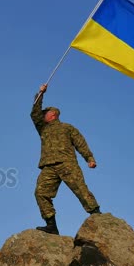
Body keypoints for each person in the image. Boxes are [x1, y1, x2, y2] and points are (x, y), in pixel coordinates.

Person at [30, 84, 101, 235]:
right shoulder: (43, 128)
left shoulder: (67, 128)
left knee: (81, 189)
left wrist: (89, 158)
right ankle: (51, 225)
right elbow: (34, 113)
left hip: (67, 163)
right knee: (40, 192)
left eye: (45, 113)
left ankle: (97, 216)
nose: (43, 116)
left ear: (53, 114)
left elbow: (80, 143)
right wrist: (40, 94)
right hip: (48, 166)